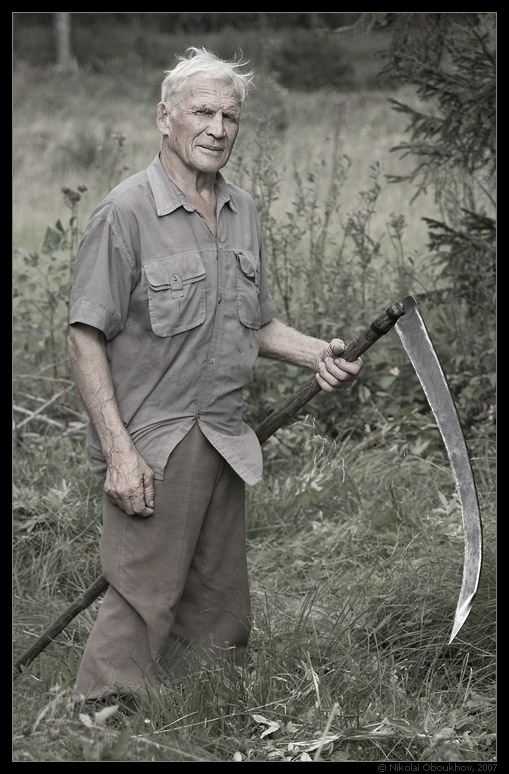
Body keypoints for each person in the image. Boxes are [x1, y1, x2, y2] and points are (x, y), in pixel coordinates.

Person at [67, 47, 363, 705]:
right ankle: (96, 729)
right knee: (142, 599)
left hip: (226, 439)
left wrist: (318, 353)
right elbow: (84, 335)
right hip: (155, 443)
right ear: (164, 118)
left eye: (230, 116)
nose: (218, 128)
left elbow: (252, 323)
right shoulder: (126, 212)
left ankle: (197, 720)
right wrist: (120, 453)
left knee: (219, 606)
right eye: (202, 112)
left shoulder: (241, 213)